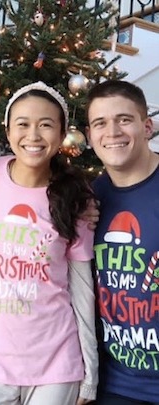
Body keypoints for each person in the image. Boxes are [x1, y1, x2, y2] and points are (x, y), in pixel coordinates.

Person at [0, 82, 98, 405]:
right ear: (7, 131)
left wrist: (91, 371)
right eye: (23, 124)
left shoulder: (76, 197)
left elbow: (82, 288)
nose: (33, 136)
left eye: (46, 125)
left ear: (61, 135)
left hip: (55, 361)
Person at [85, 80, 159, 405]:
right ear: (89, 136)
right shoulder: (87, 200)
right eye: (100, 123)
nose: (112, 131)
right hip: (114, 384)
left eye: (124, 119)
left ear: (147, 126)